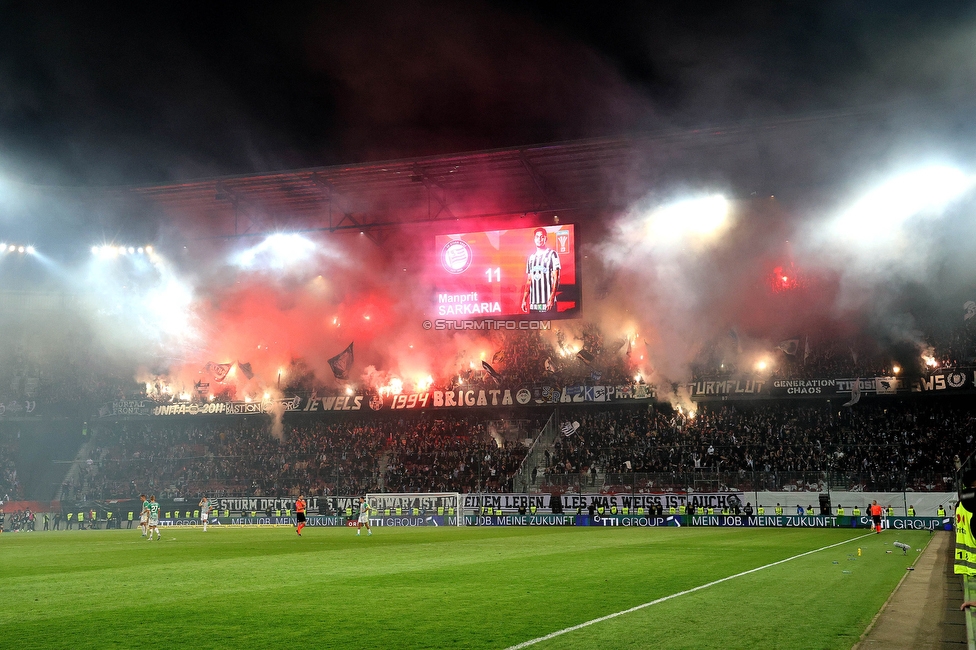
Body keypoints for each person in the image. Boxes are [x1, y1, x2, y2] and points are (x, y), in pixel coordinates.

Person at [521, 228, 560, 313]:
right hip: (533, 304)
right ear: (534, 239)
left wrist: (552, 298)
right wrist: (524, 299)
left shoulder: (552, 254)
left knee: (551, 325)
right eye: (537, 237)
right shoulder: (531, 258)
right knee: (535, 326)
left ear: (545, 238)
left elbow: (556, 278)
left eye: (542, 237)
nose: (539, 239)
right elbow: (529, 281)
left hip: (548, 303)